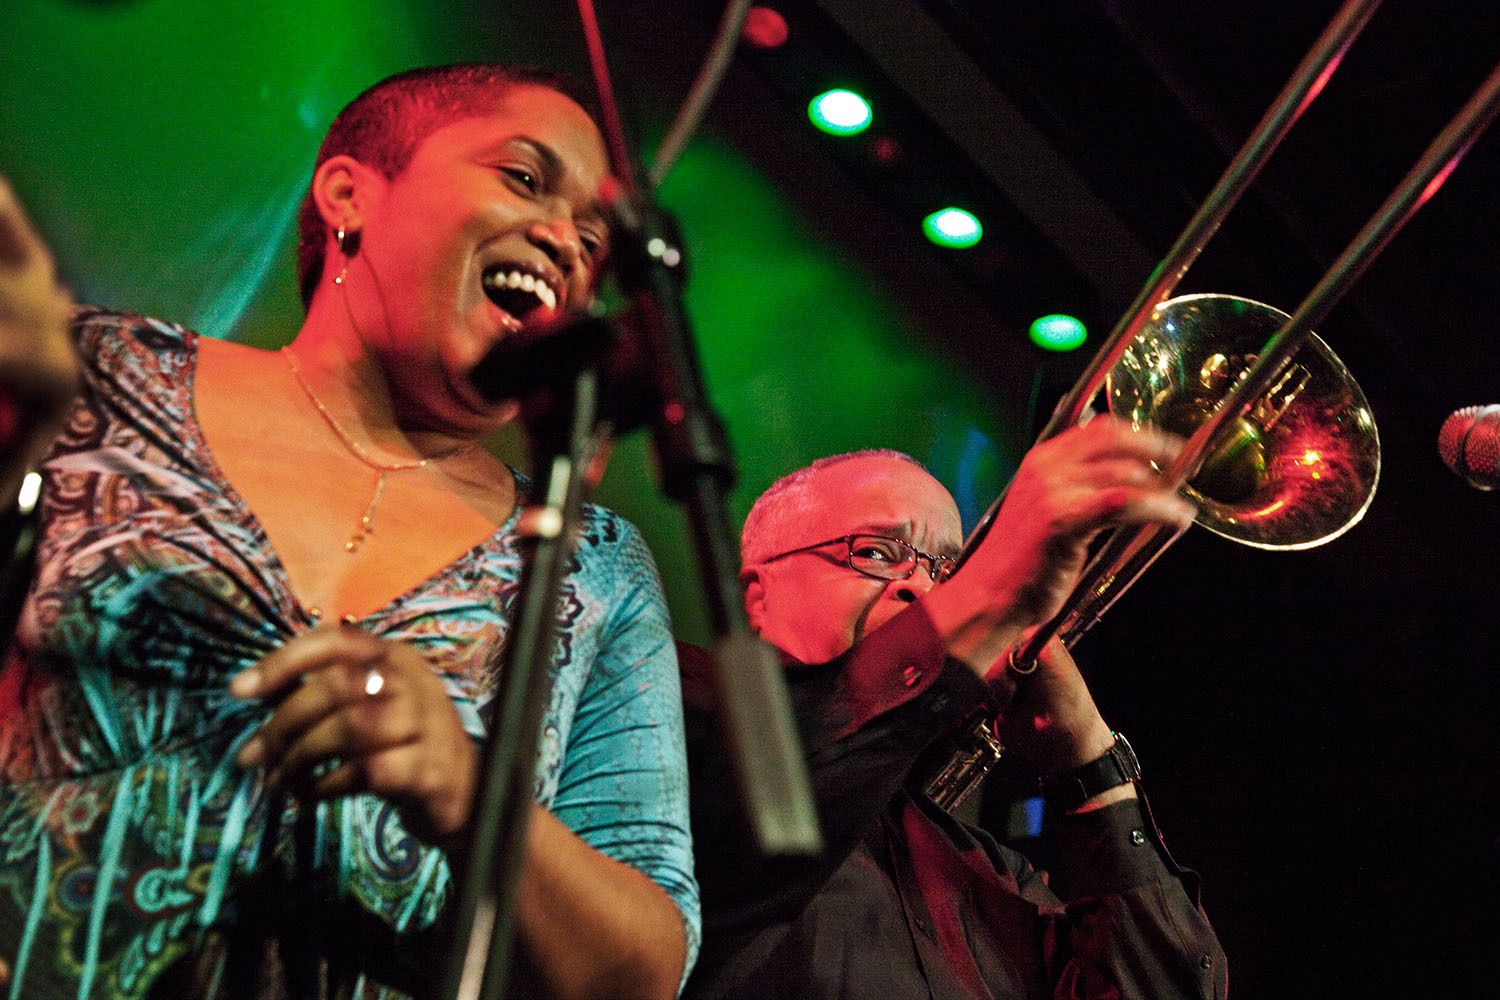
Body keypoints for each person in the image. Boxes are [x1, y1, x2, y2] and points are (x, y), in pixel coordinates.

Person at [0, 64, 697, 999]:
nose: (566, 241)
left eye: (592, 238)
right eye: (526, 179)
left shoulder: (591, 564)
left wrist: (464, 788)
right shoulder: (91, 374)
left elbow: (642, 968)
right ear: (348, 193)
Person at [682, 446, 1228, 999]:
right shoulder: (666, 705)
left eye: (946, 571)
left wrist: (1088, 757)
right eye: (874, 552)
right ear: (756, 597)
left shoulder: (991, 870)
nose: (923, 589)